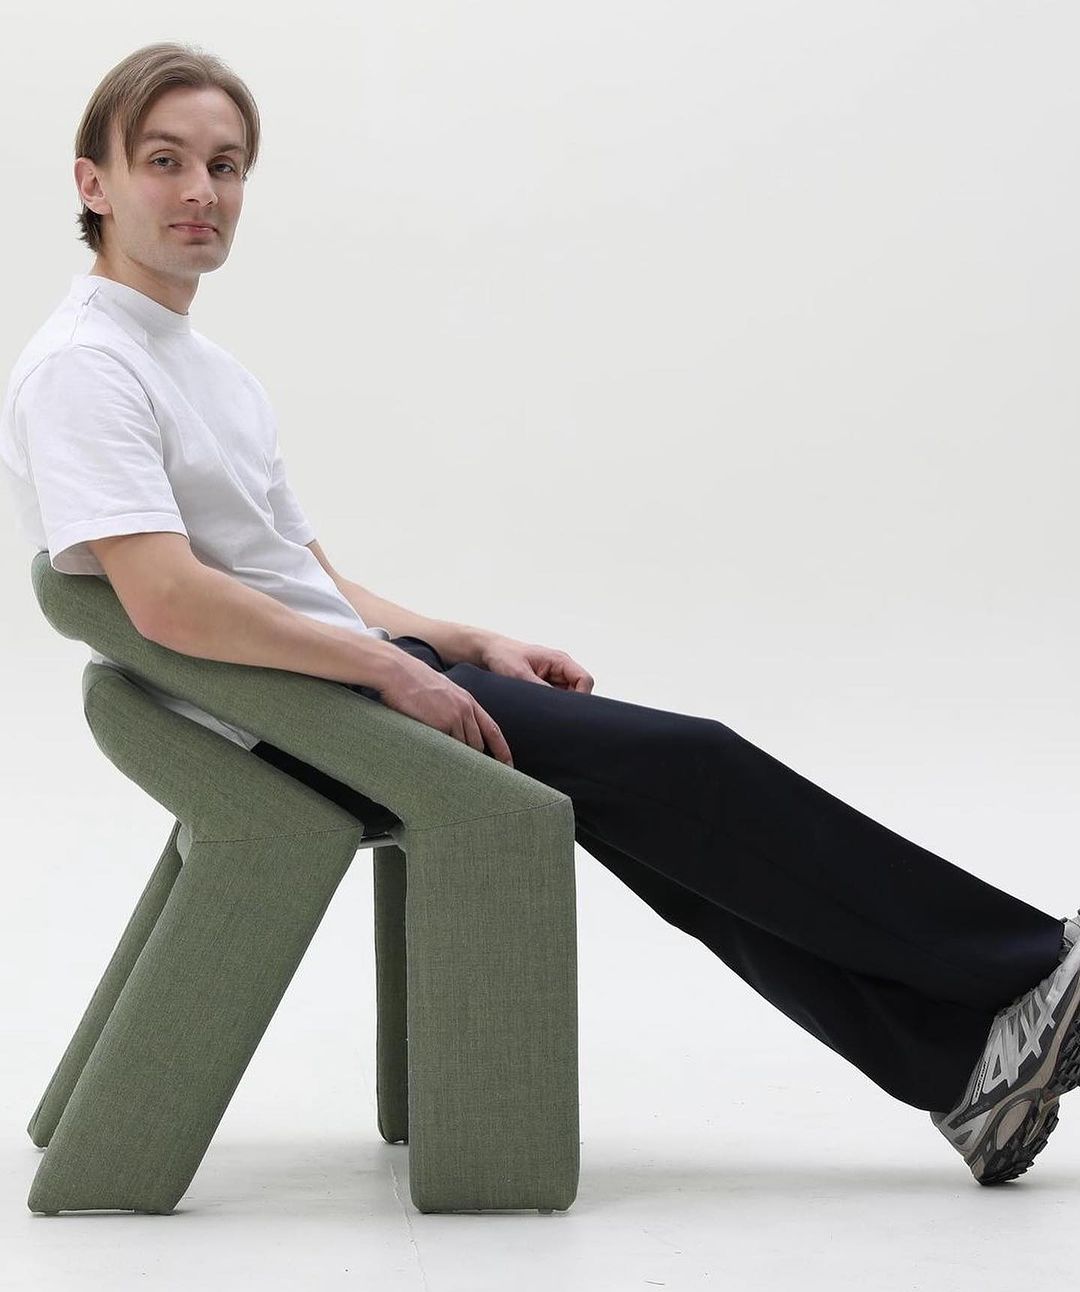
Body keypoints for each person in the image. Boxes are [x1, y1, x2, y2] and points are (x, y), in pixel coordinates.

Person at [2, 41, 1078, 1190]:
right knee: (691, 764)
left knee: (658, 826)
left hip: (336, 680)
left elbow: (308, 573)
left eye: (225, 165)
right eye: (164, 161)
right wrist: (385, 675)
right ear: (94, 183)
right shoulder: (86, 368)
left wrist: (459, 642)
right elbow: (164, 599)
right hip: (288, 718)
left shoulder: (210, 369)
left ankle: (964, 1065)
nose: (200, 191)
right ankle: (1023, 971)